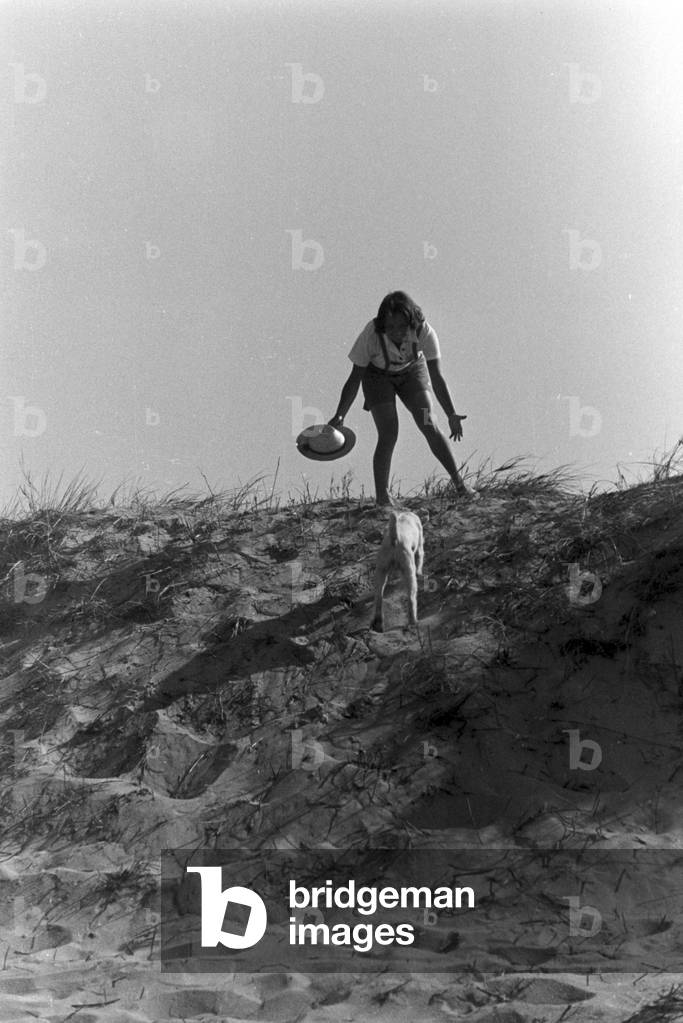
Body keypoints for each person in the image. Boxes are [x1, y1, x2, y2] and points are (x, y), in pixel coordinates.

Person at [328, 291, 475, 506]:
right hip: (377, 377)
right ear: (382, 325)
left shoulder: (424, 331)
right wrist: (340, 415)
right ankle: (383, 499)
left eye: (402, 327)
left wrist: (451, 413)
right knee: (388, 433)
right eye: (390, 327)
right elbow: (354, 378)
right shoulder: (371, 335)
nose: (396, 332)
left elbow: (436, 376)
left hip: (412, 373)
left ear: (411, 323)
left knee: (428, 423)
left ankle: (460, 485)